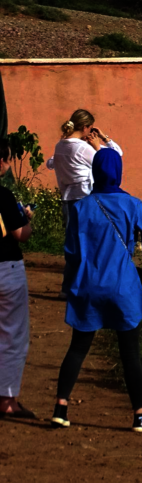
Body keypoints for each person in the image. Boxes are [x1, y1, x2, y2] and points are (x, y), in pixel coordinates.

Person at [51, 148, 142, 432]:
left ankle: (60, 408)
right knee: (129, 353)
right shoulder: (133, 205)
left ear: (94, 172)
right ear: (119, 172)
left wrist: (71, 284)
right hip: (123, 288)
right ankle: (140, 415)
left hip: (88, 285)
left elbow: (71, 253)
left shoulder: (80, 207)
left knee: (78, 348)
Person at [0, 139, 36, 419]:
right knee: (12, 334)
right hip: (5, 269)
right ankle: (7, 401)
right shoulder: (2, 195)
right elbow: (20, 234)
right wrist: (27, 220)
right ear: (1, 162)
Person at [46, 109, 124, 225]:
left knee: (72, 239)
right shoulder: (82, 148)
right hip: (86, 198)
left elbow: (50, 163)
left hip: (68, 199)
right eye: (90, 128)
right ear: (84, 127)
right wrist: (101, 141)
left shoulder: (60, 146)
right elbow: (112, 159)